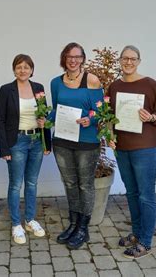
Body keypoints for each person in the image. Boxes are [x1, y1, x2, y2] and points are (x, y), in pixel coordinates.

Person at [107, 45, 156, 259]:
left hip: (146, 149)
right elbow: (109, 117)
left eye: (133, 59)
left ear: (139, 61)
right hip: (122, 149)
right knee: (132, 194)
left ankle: (146, 242)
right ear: (120, 61)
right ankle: (137, 233)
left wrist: (151, 117)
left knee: (146, 195)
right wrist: (110, 137)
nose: (129, 62)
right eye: (125, 58)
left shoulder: (150, 85)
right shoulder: (114, 87)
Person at [50, 42, 103, 250]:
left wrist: (90, 119)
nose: (73, 60)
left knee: (85, 184)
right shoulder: (56, 82)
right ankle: (73, 223)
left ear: (83, 59)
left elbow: (100, 111)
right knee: (70, 183)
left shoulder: (91, 80)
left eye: (77, 57)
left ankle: (83, 227)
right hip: (62, 141)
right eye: (69, 56)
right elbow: (55, 110)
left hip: (87, 142)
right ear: (64, 58)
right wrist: (46, 119)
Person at [0, 54, 52, 244]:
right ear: (14, 70)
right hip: (17, 141)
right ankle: (15, 224)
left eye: (26, 67)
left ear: (32, 70)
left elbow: (45, 117)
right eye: (19, 67)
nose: (23, 70)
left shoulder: (39, 89)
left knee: (32, 183)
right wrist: (4, 148)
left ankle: (29, 220)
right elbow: (0, 121)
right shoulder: (6, 90)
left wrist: (46, 142)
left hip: (36, 140)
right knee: (15, 184)